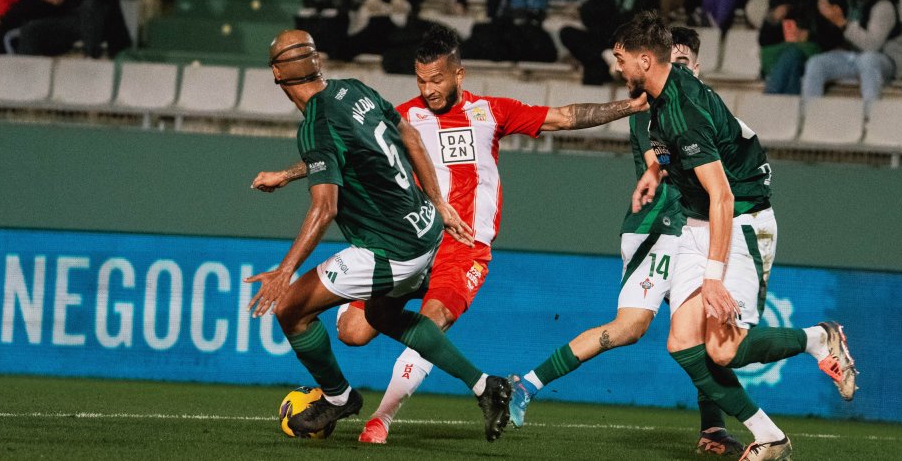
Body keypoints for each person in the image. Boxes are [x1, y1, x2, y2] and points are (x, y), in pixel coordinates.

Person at [274, 25, 644, 444]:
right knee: (353, 332)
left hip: (463, 249)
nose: (429, 89)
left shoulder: (490, 111)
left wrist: (627, 107)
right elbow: (343, 148)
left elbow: (564, 117)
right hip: (413, 238)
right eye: (422, 81)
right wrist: (288, 174)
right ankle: (475, 388)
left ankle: (381, 419)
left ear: (458, 75)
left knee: (433, 319)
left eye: (437, 80)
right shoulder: (405, 115)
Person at [245, 29, 512, 442]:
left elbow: (324, 208)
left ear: (277, 76)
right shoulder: (353, 91)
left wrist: (285, 272)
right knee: (383, 317)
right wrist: (439, 203)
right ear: (318, 63)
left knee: (292, 310)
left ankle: (338, 399)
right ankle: (486, 386)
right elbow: (409, 136)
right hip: (426, 233)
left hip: (391, 250)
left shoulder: (315, 124)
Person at [611, 12, 857, 460]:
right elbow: (686, 165)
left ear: (645, 60)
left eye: (621, 58)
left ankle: (819, 338)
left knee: (724, 350)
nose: (617, 68)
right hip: (696, 223)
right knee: (682, 342)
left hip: (741, 222)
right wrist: (655, 171)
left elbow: (722, 196)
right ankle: (771, 438)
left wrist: (712, 276)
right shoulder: (661, 102)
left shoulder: (683, 110)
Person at [510, 28, 748, 457]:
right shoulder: (651, 106)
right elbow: (664, 160)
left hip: (693, 228)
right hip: (658, 226)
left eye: (684, 62)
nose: (677, 69)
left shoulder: (701, 104)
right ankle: (525, 384)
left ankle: (713, 429)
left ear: (697, 66)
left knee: (709, 328)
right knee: (628, 328)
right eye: (670, 61)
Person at [801, 0, 902, 116]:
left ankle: (870, 117)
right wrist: (827, 19)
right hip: (853, 57)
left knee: (868, 60)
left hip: (884, 60)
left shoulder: (883, 4)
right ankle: (809, 117)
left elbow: (872, 46)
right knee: (816, 63)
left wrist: (842, 23)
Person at [561, 0, 660, 85]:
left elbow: (640, 23)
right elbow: (588, 16)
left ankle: (612, 61)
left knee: (594, 69)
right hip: (603, 42)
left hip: (630, 45)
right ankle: (608, 57)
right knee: (567, 32)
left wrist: (608, 18)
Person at [759, 0, 830, 95]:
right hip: (780, 52)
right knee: (792, 66)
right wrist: (773, 20)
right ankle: (788, 110)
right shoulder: (780, 1)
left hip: (810, 52)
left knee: (793, 55)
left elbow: (830, 39)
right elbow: (764, 40)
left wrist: (809, 35)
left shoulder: (821, 3)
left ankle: (769, 98)